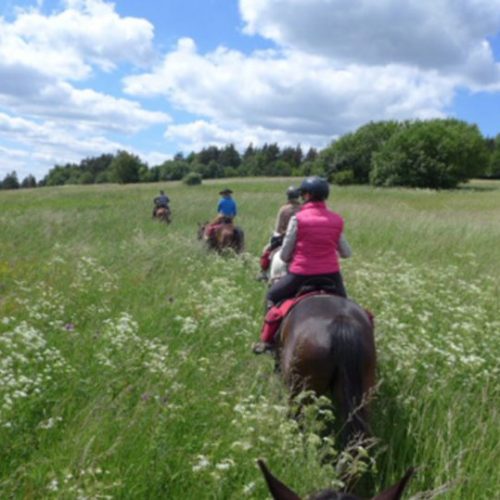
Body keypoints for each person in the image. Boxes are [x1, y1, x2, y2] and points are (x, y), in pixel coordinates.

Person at [253, 176, 352, 354]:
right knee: (347, 306)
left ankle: (267, 341)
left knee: (272, 295)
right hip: (331, 275)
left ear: (307, 195)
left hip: (301, 274)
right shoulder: (337, 219)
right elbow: (346, 252)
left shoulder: (298, 219)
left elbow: (284, 255)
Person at [257, 186, 301, 280]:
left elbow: (278, 229)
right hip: (301, 238)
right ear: (298, 196)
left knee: (267, 250)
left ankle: (263, 272)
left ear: (288, 196)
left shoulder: (283, 209)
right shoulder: (303, 209)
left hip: (284, 238)